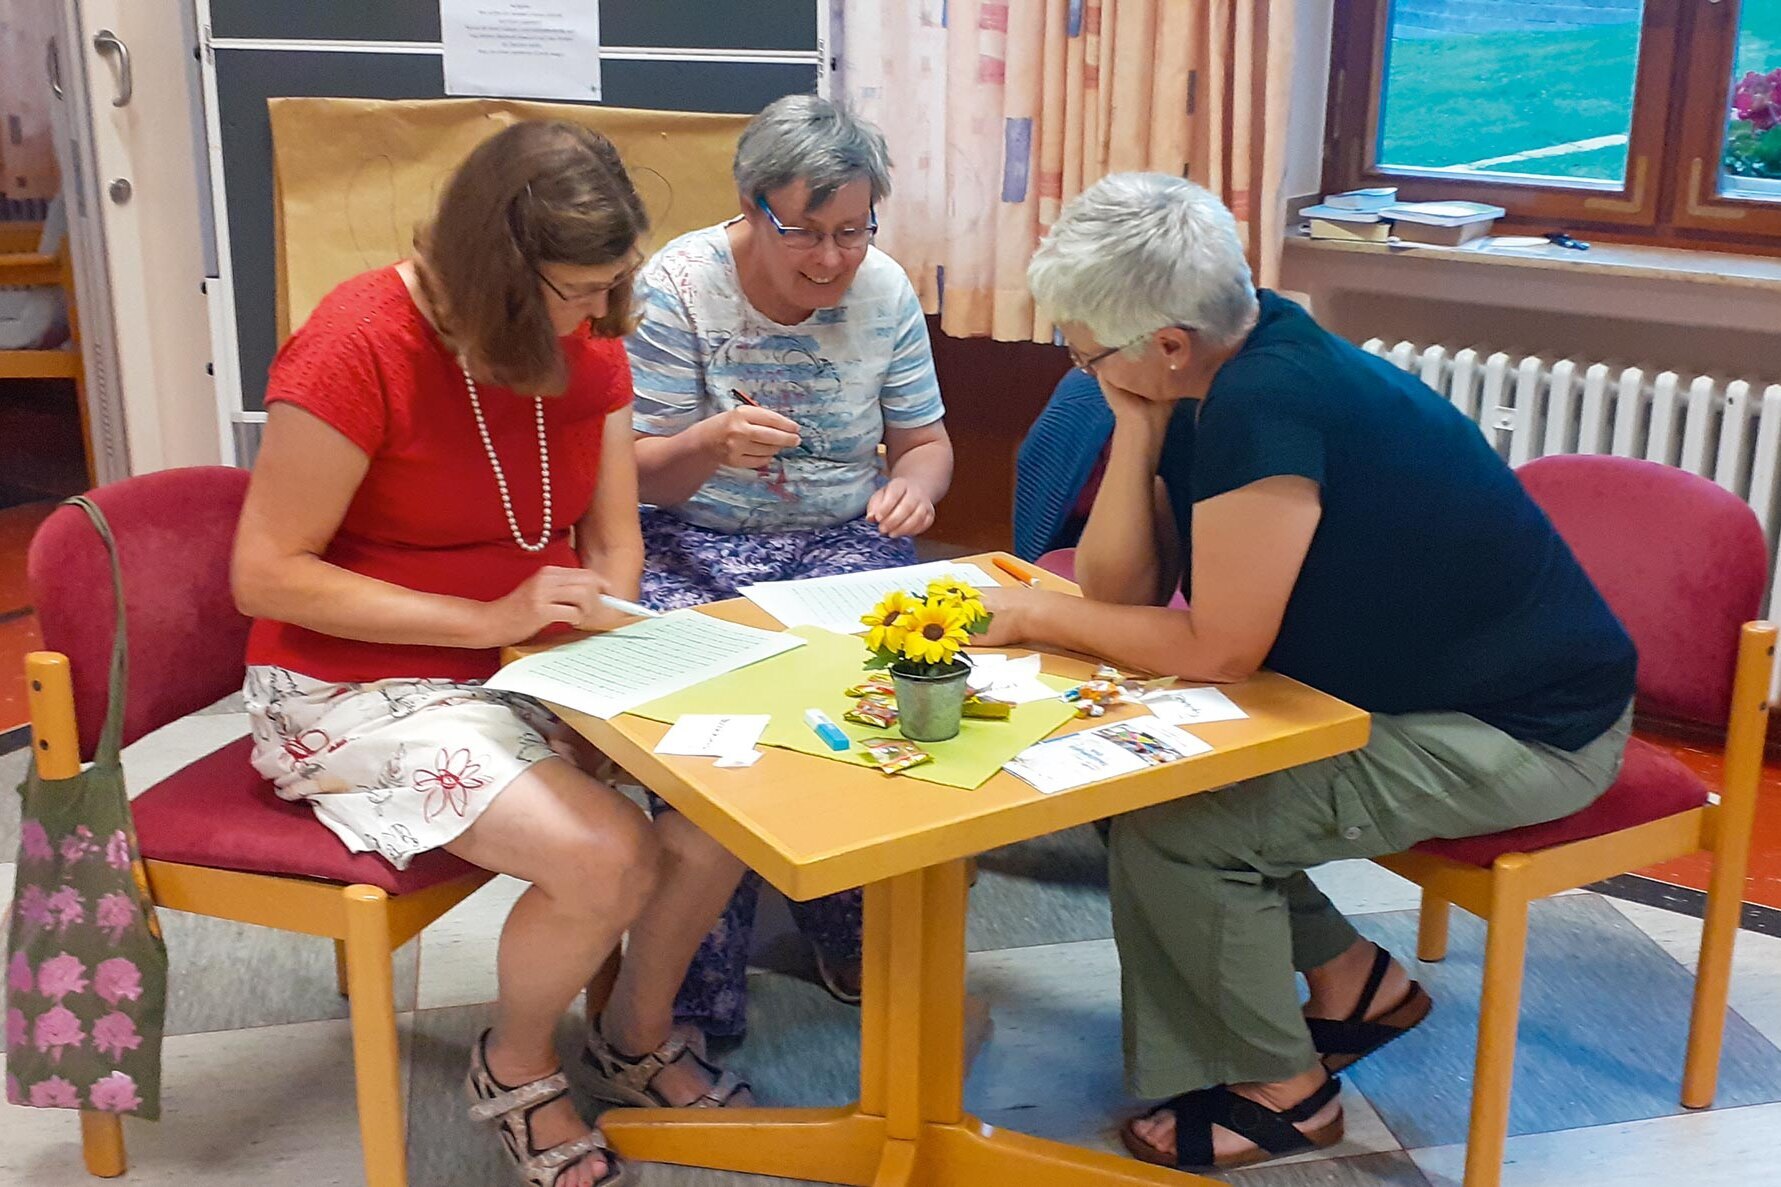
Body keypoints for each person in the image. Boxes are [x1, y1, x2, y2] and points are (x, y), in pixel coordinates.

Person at [974, 173, 1635, 1171]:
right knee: (1130, 784)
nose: (1075, 363)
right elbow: (1124, 593)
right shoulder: (1221, 363)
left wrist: (1030, 611)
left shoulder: (1267, 401)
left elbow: (1214, 650)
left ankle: (1281, 1087)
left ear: (1165, 343)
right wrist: (1140, 426)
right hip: (1408, 690)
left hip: (1526, 728)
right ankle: (1349, 980)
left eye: (1083, 346)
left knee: (1182, 828)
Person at [233, 121, 754, 1187]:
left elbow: (615, 539)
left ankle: (632, 1031)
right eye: (576, 291)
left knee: (736, 785)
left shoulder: (587, 336)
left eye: (612, 283)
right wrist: (487, 622)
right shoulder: (357, 342)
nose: (600, 316)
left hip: (527, 660)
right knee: (608, 854)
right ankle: (514, 1060)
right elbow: (266, 571)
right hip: (349, 690)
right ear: (497, 277)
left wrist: (609, 644)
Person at [623, 95, 953, 1037]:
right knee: (708, 726)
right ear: (748, 203)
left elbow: (924, 442)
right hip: (693, 540)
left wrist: (917, 490)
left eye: (851, 230)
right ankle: (695, 984)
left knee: (878, 690)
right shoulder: (673, 288)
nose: (830, 259)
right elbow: (636, 473)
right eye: (803, 231)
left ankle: (846, 922)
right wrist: (711, 443)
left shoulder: (883, 289)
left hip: (836, 538)